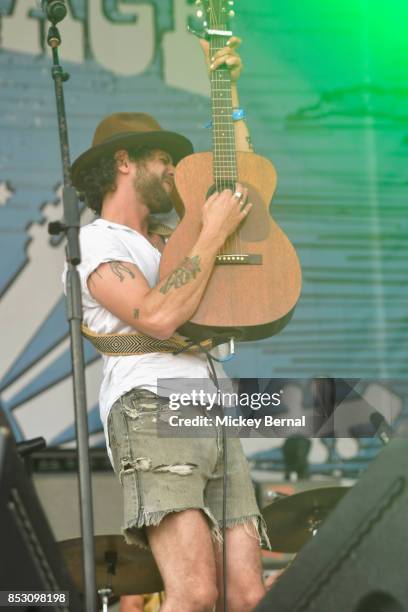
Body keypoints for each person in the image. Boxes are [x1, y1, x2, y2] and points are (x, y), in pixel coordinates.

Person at [67, 38, 268, 612]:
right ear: (124, 162)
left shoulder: (170, 237)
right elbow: (155, 317)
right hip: (151, 405)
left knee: (249, 595)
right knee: (195, 594)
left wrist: (229, 95)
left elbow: (243, 187)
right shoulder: (96, 241)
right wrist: (207, 232)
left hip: (210, 404)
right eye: (162, 158)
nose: (173, 169)